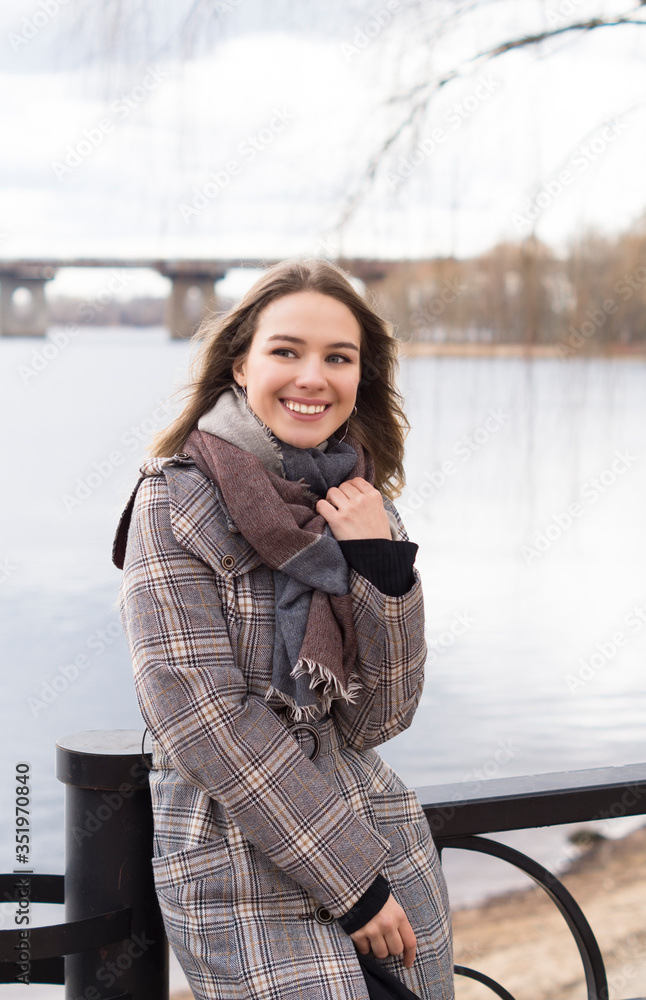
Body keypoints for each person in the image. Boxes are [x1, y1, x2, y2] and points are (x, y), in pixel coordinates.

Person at [112, 258, 454, 1000]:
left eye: (338, 358)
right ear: (241, 363)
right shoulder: (173, 499)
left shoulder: (362, 502)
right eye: (286, 351)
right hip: (239, 856)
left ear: (361, 376)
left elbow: (377, 717)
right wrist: (351, 883)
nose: (313, 377)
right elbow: (199, 719)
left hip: (381, 838)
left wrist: (381, 563)